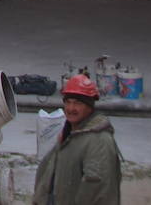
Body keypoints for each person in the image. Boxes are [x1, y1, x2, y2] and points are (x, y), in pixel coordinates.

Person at [32, 74, 121, 205]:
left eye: (77, 103)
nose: (71, 108)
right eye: (68, 102)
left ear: (89, 107)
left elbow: (99, 190)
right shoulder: (69, 136)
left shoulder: (99, 141)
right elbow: (48, 176)